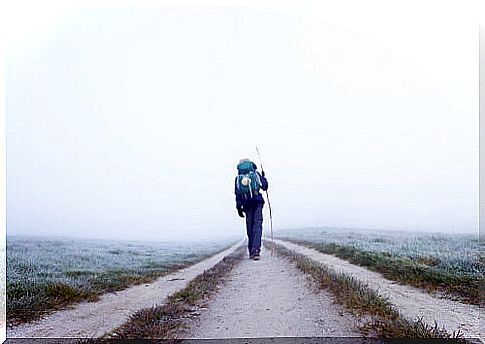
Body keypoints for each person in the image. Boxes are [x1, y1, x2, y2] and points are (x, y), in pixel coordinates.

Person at [234, 158, 268, 260]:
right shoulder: (255, 174)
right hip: (257, 202)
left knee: (250, 226)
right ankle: (256, 251)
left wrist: (239, 208)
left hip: (246, 204)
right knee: (257, 225)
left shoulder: (238, 178)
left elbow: (237, 194)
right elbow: (265, 186)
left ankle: (251, 250)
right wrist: (264, 177)